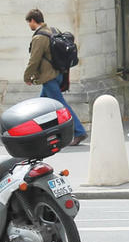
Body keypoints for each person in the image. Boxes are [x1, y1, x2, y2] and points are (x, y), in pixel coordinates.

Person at [23, 8, 87, 145]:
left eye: (29, 22)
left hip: (48, 77)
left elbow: (34, 60)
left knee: (61, 107)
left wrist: (27, 77)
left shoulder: (39, 37)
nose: (29, 25)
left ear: (33, 21)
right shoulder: (53, 30)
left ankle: (79, 131)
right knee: (40, 107)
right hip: (57, 75)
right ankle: (38, 134)